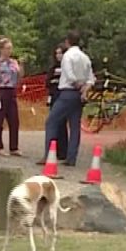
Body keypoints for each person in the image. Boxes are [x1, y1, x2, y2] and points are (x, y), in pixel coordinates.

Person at [45, 31, 96, 167]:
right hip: (79, 95)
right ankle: (71, 157)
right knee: (75, 126)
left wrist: (78, 85)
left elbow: (69, 74)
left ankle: (48, 155)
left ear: (67, 42)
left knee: (51, 121)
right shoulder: (85, 57)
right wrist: (85, 88)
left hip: (68, 92)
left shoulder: (67, 56)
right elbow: (91, 78)